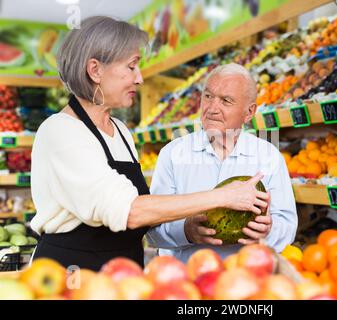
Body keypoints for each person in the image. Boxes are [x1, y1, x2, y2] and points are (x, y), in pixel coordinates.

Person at [30, 17, 268, 271]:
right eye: (132, 67)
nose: (140, 78)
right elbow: (130, 211)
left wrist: (189, 229)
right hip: (73, 274)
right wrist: (223, 197)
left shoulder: (120, 131)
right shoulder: (61, 131)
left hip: (125, 271)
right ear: (95, 70)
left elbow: (142, 208)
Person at [147, 63, 297, 262]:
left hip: (246, 280)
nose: (212, 109)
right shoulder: (172, 154)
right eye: (208, 96)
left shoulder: (268, 156)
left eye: (226, 101)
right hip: (185, 283)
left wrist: (268, 231)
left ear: (249, 112)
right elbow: (152, 230)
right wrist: (186, 231)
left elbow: (287, 226)